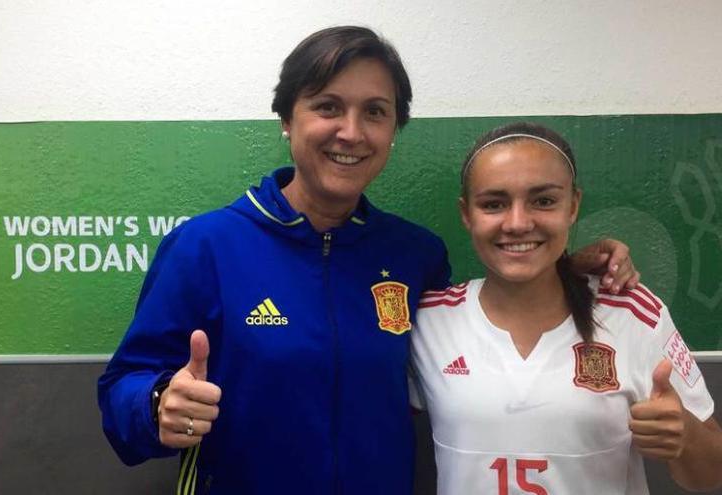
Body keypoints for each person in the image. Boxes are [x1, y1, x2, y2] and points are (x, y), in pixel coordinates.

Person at [98, 28, 638, 495]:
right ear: (287, 118)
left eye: (374, 113)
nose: (351, 133)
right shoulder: (205, 247)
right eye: (327, 106)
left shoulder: (414, 255)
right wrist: (154, 404)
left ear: (392, 131)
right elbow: (122, 390)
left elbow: (481, 324)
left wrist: (566, 266)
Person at [409, 122, 722, 494]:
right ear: (466, 214)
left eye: (543, 201)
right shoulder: (429, 321)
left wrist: (683, 434)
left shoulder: (633, 313)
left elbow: (710, 476)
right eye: (494, 204)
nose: (518, 223)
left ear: (573, 205)